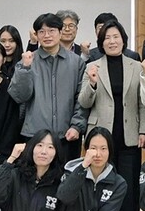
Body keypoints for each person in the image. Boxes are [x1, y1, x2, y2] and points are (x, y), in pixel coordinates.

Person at [78, 20, 145, 211]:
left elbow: (142, 103)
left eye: (116, 36)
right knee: (103, 190)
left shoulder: (135, 65)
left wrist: (144, 130)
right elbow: (84, 102)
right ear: (101, 42)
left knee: (128, 191)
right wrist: (92, 83)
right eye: (107, 37)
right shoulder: (92, 65)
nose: (112, 41)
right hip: (101, 139)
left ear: (123, 39)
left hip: (129, 137)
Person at [9, 12, 87, 158]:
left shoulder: (77, 63)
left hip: (67, 135)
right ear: (37, 35)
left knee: (67, 179)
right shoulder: (27, 62)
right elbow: (19, 96)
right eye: (42, 32)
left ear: (60, 32)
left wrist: (77, 125)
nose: (47, 35)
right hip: (35, 136)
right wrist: (25, 69)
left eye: (51, 31)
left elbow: (81, 99)